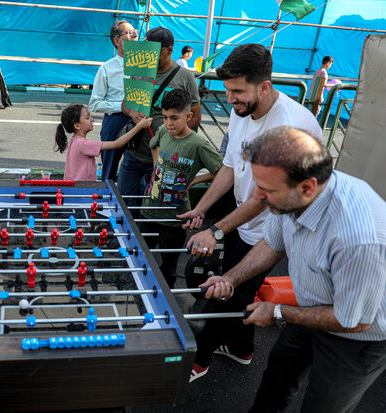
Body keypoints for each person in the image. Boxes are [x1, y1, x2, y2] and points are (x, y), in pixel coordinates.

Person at [202, 126, 386, 413]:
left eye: (267, 189)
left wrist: (278, 312)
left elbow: (354, 320)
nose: (258, 196)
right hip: (309, 309)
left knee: (323, 406)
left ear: (307, 186)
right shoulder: (290, 200)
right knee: (276, 383)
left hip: (357, 338)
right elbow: (273, 245)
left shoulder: (357, 237)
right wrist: (230, 278)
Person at [177, 43, 323, 382]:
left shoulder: (288, 129)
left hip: (275, 226)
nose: (230, 99)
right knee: (234, 284)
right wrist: (201, 209)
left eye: (237, 91)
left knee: (230, 290)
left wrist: (216, 230)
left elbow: (263, 198)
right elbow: (230, 166)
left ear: (265, 86)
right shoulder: (241, 110)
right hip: (246, 219)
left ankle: (197, 360)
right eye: (227, 90)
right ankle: (242, 349)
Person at [140, 88, 222, 288]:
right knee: (140, 257)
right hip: (148, 210)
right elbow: (153, 145)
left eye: (174, 118)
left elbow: (222, 170)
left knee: (168, 266)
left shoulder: (198, 144)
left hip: (175, 218)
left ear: (189, 116)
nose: (168, 123)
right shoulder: (162, 131)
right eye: (165, 117)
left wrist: (195, 180)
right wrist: (156, 166)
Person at [118, 27, 201, 209]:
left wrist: (176, 142)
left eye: (154, 52)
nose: (149, 56)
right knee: (124, 202)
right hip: (134, 153)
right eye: (146, 51)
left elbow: (195, 117)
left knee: (156, 206)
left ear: (169, 50)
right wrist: (132, 113)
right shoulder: (140, 71)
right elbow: (125, 104)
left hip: (165, 158)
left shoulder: (186, 77)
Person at [88, 20, 138, 182]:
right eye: (129, 33)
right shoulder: (106, 68)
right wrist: (123, 107)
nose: (135, 35)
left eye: (135, 31)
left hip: (140, 121)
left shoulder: (146, 65)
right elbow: (95, 103)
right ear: (117, 41)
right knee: (109, 170)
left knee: (138, 168)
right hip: (115, 121)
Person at [54, 103, 152, 181]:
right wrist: (139, 126)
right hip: (82, 191)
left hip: (74, 190)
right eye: (87, 118)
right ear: (77, 126)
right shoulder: (83, 144)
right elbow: (117, 143)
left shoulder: (74, 141)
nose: (92, 119)